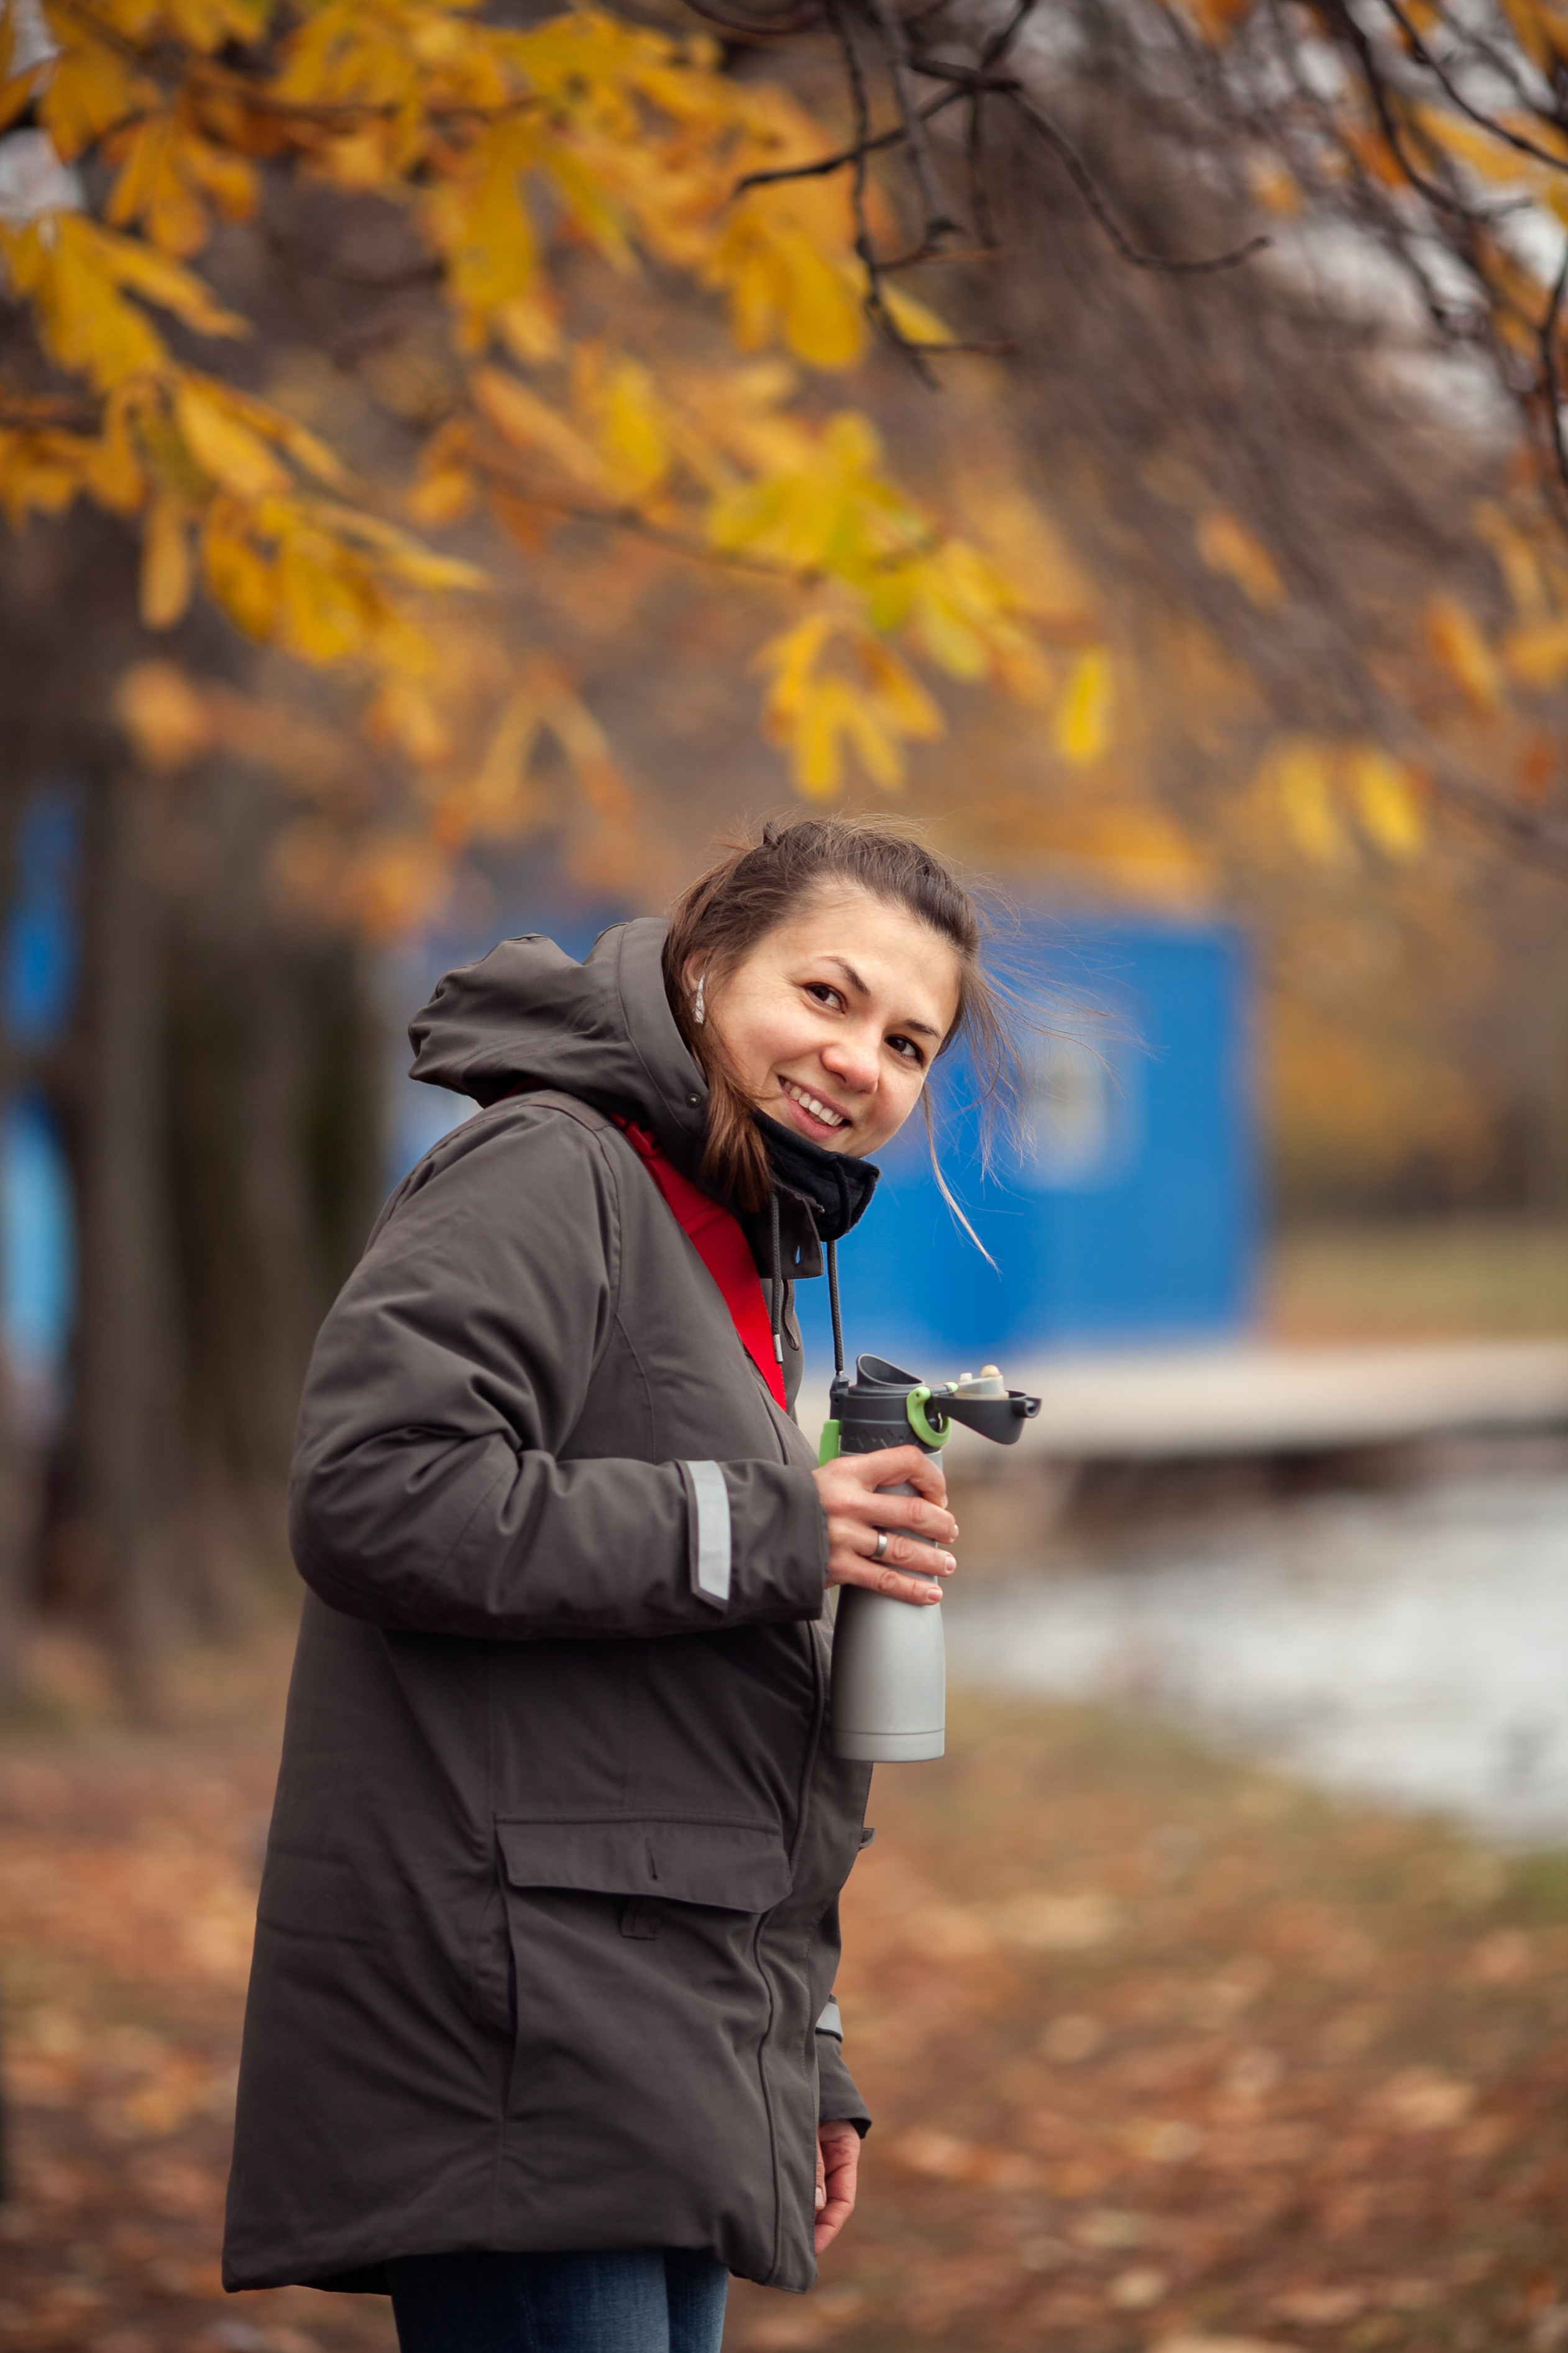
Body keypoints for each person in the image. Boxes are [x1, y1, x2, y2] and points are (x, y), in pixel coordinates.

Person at [222, 816, 1013, 2353]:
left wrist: (810, 2049)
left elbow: (702, 1717)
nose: (862, 1064)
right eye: (829, 996)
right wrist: (774, 1528)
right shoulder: (550, 1167)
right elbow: (374, 1491)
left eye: (909, 1044)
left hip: (665, 2026)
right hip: (519, 2028)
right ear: (706, 970)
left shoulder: (719, 1245)